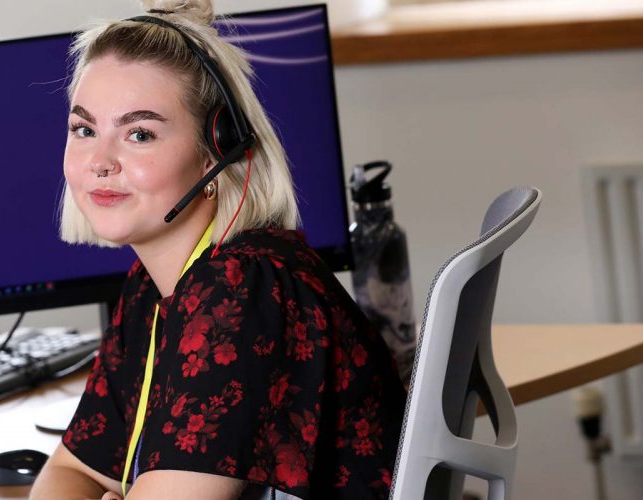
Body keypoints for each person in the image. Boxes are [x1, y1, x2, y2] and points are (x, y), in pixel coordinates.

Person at [29, 1, 407, 499]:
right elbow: (69, 474)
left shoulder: (241, 291)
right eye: (84, 129)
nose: (100, 161)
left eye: (139, 134)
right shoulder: (154, 287)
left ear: (217, 152)